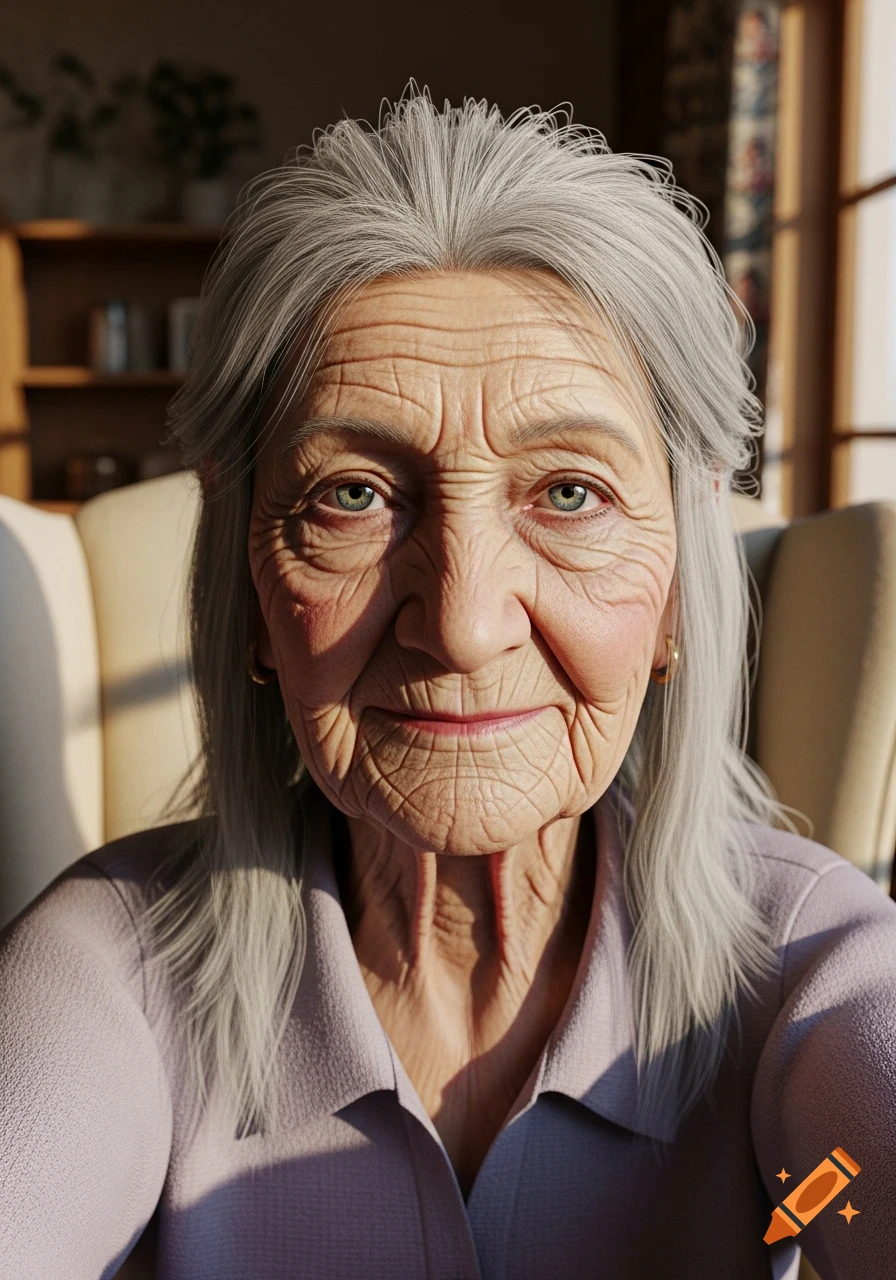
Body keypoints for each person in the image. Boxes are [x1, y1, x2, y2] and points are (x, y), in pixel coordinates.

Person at [1, 89, 894, 1280]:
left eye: (567, 492)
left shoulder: (802, 954)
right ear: (250, 582)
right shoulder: (110, 964)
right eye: (353, 494)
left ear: (678, 585)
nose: (463, 625)